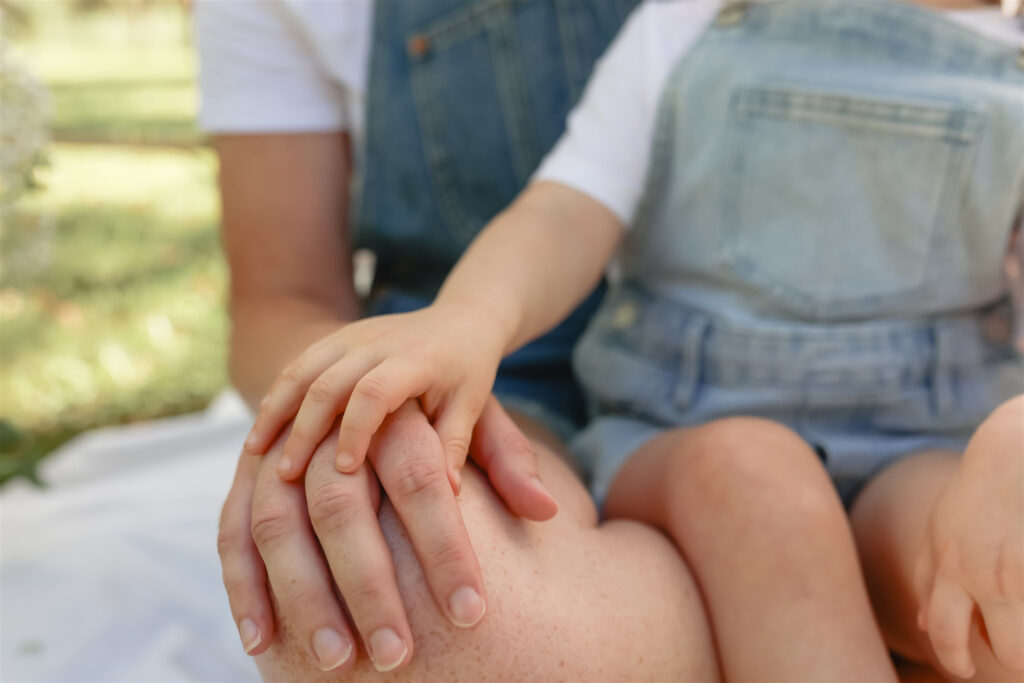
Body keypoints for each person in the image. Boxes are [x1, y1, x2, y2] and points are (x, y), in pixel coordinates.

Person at [246, 0, 1024, 679]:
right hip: (690, 431)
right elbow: (565, 212)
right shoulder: (685, 24)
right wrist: (468, 320)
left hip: (918, 442)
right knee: (756, 478)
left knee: (996, 528)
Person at [196, 0, 719, 677]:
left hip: (732, 370)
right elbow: (282, 298)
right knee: (398, 580)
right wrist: (363, 399)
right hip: (485, 378)